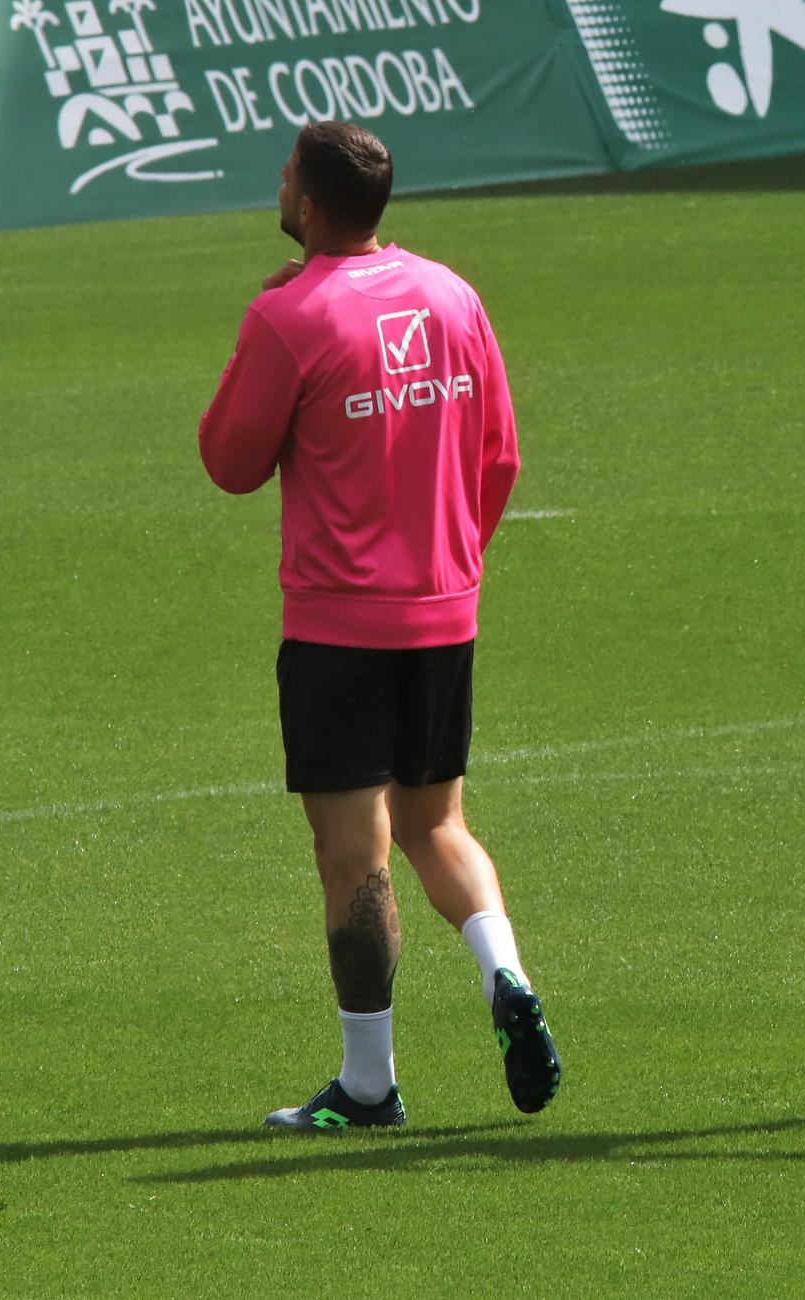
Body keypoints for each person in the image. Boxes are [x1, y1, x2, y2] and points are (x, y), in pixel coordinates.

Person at [199, 120, 560, 1130]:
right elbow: (501, 459)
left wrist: (266, 312)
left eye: (284, 178)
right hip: (443, 613)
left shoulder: (292, 313)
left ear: (308, 207)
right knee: (437, 824)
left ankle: (368, 1085)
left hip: (338, 628)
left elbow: (228, 461)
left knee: (352, 858)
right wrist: (450, 565)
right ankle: (504, 974)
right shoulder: (452, 294)